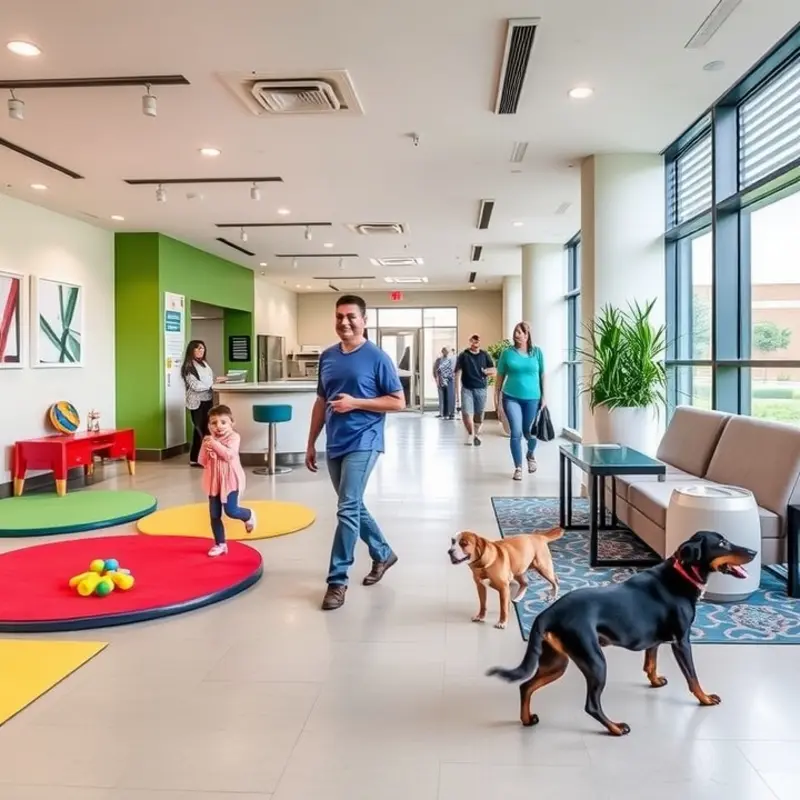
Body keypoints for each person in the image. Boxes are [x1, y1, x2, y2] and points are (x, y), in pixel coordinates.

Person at [306, 294, 405, 611]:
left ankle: (337, 581)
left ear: (364, 320)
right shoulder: (328, 357)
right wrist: (310, 442)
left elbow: (398, 401)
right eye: (339, 316)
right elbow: (321, 401)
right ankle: (383, 552)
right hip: (335, 441)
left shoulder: (377, 357)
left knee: (347, 507)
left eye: (351, 316)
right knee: (352, 505)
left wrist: (357, 403)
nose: (344, 322)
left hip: (366, 439)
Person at [197, 404, 256, 557]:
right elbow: (202, 461)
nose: (219, 426)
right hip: (213, 482)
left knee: (231, 510)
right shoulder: (208, 440)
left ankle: (248, 515)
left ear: (232, 423)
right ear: (209, 425)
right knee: (214, 514)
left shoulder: (234, 437)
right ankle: (220, 544)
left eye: (223, 422)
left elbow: (229, 455)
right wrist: (206, 448)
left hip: (230, 480)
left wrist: (215, 445)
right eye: (214, 423)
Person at [494, 322, 546, 481]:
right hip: (511, 397)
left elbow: (542, 374)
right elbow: (499, 378)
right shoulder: (507, 354)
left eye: (520, 332)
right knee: (515, 432)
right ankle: (518, 467)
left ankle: (530, 455)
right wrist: (497, 400)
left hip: (533, 398)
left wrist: (544, 396)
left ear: (527, 335)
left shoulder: (537, 352)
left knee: (529, 432)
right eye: (515, 332)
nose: (517, 335)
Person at [181, 340, 226, 467]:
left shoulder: (204, 364)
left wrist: (222, 380)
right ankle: (204, 458)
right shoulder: (188, 366)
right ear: (192, 350)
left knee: (200, 430)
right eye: (198, 348)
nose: (201, 351)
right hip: (197, 402)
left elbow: (211, 378)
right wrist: (211, 385)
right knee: (202, 430)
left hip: (207, 400)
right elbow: (195, 385)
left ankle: (195, 458)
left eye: (202, 348)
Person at [455, 334, 494, 446]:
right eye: (473, 341)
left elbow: (493, 369)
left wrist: (487, 372)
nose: (475, 343)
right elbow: (457, 373)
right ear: (470, 341)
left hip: (481, 388)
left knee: (479, 414)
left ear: (480, 342)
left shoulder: (485, 355)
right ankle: (471, 434)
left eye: (477, 341)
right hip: (467, 388)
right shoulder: (463, 355)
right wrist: (457, 395)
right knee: (466, 412)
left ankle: (475, 434)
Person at [433, 346, 455, 419]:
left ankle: (451, 413)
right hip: (441, 380)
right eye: (444, 351)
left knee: (450, 396)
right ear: (442, 351)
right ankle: (442, 413)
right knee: (441, 397)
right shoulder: (439, 360)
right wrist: (437, 380)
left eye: (447, 351)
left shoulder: (451, 359)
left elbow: (454, 371)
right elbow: (435, 370)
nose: (446, 352)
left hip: (450, 380)